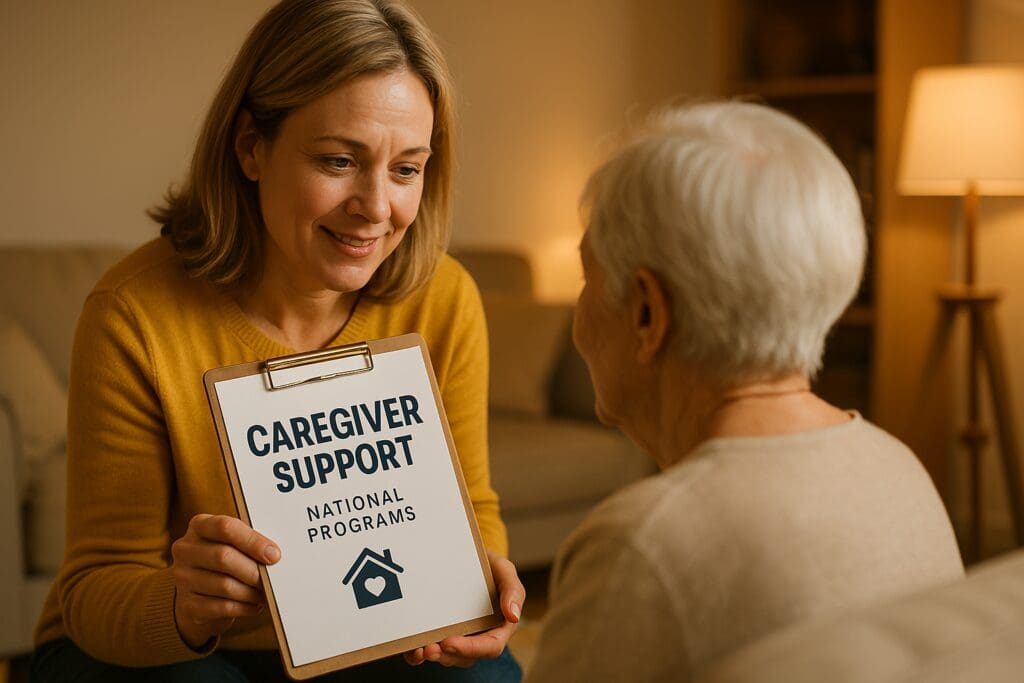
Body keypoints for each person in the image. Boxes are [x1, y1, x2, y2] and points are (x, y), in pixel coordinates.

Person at [30, 1, 523, 681]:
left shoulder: (444, 297)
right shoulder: (134, 312)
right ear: (250, 147)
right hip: (163, 648)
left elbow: (473, 506)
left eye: (406, 168)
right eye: (339, 160)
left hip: (360, 634)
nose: (377, 207)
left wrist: (478, 582)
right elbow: (96, 587)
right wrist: (182, 603)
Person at [525, 101, 964, 683]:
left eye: (588, 278)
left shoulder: (645, 543)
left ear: (648, 314)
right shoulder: (900, 467)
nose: (580, 311)